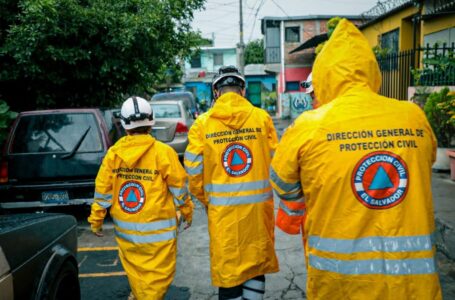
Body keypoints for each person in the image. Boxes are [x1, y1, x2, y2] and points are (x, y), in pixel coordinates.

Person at [270, 19, 442, 299]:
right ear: (371, 69)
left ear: (324, 74)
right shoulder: (413, 117)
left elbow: (282, 183)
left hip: (339, 283)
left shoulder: (309, 125)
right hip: (412, 287)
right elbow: (426, 162)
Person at [185, 66, 279, 299]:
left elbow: (193, 169)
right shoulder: (261, 118)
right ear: (243, 91)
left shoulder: (203, 125)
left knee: (229, 268)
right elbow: (279, 164)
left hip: (223, 212)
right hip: (258, 212)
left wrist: (205, 199)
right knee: (256, 262)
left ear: (216, 92)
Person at [87, 96, 193, 300]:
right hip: (160, 234)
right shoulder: (164, 153)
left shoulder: (114, 155)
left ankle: (139, 295)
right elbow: (179, 189)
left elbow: (102, 191)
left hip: (128, 233)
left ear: (125, 126)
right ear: (151, 123)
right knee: (156, 282)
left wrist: (96, 221)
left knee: (137, 275)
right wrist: (187, 213)